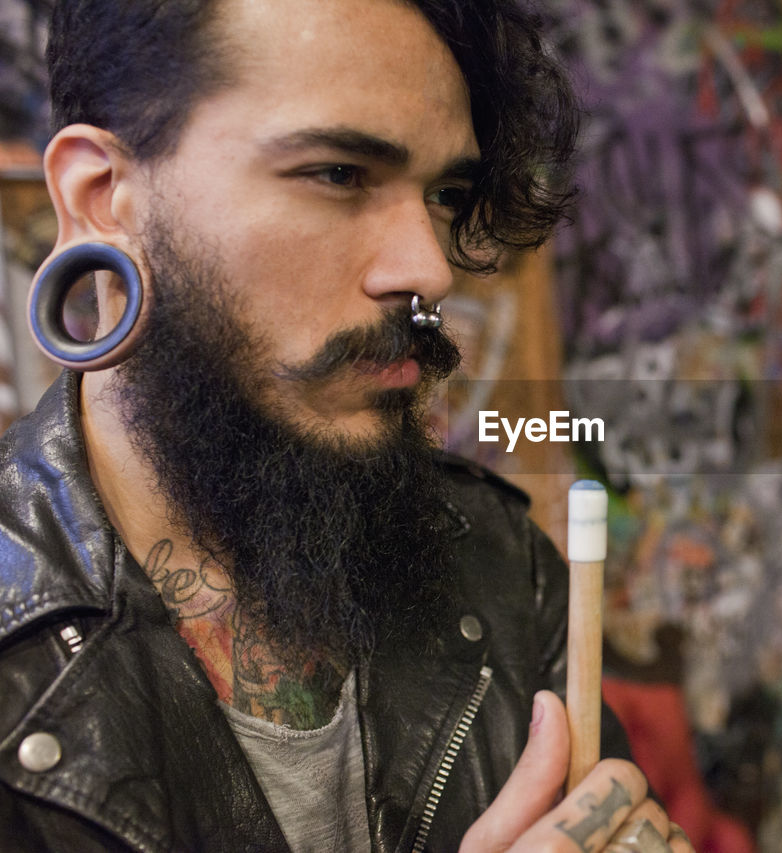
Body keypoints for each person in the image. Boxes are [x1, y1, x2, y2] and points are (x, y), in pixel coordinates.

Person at [0, 0, 692, 850]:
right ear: (104, 199)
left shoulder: (507, 576)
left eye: (446, 193)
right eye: (337, 173)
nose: (428, 270)